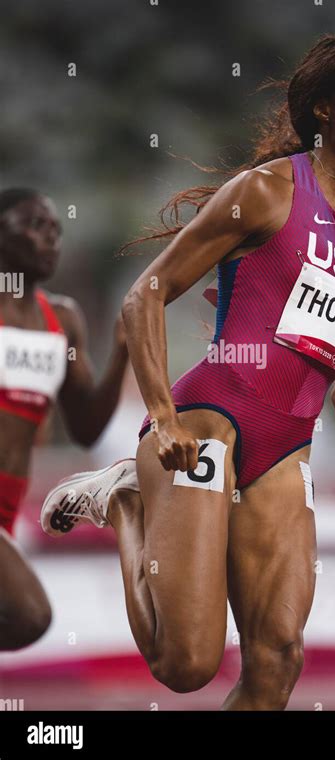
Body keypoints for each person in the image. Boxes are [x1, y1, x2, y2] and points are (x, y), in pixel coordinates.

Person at [40, 33, 335, 709]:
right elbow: (147, 295)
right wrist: (162, 417)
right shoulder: (263, 193)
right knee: (186, 665)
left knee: (278, 662)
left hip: (288, 450)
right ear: (324, 108)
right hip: (210, 424)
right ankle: (124, 499)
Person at [0, 188, 129, 650]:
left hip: (8, 509)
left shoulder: (63, 320)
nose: (50, 238)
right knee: (30, 615)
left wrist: (122, 349)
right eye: (35, 227)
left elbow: (86, 428)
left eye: (56, 229)